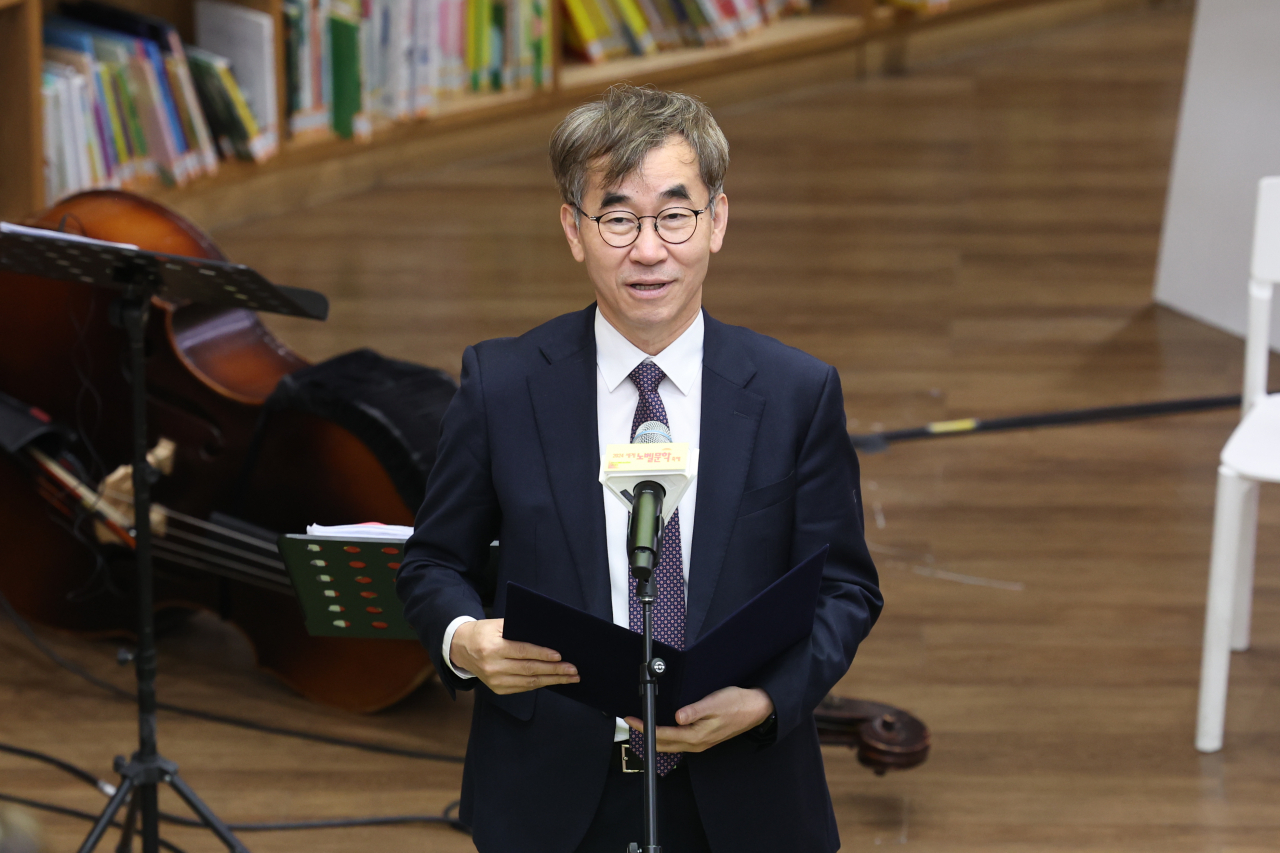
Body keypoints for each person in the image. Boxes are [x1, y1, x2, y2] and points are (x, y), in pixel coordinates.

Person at [396, 84, 882, 853]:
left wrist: (765, 699)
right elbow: (432, 562)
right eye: (618, 218)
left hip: (745, 789)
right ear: (573, 230)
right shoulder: (502, 384)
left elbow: (846, 590)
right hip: (551, 795)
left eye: (675, 215)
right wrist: (465, 640)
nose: (648, 249)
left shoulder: (797, 392)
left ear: (717, 221)